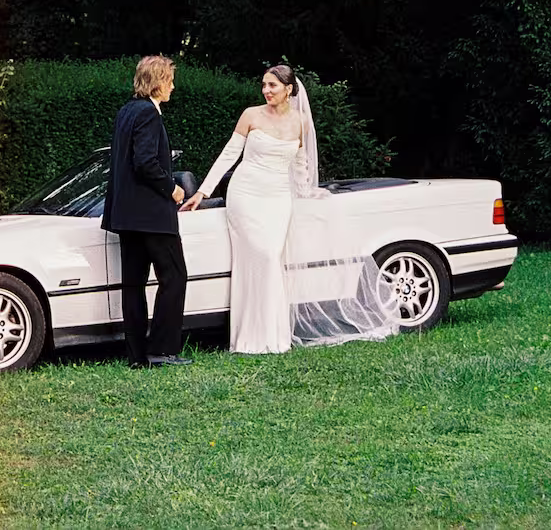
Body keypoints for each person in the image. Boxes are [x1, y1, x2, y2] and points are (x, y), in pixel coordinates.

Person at [183, 64, 400, 353]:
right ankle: (250, 337)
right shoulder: (251, 114)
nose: (266, 91)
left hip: (278, 198)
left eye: (272, 85)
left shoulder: (300, 122)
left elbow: (300, 163)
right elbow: (229, 155)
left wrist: (307, 191)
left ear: (289, 89)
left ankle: (274, 336)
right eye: (263, 85)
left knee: (272, 257)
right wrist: (202, 191)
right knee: (261, 256)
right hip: (246, 194)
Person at [102, 55, 192, 368]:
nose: (172, 86)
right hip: (152, 214)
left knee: (133, 285)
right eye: (169, 80)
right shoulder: (149, 114)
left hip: (126, 216)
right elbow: (145, 163)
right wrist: (173, 188)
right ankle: (163, 349)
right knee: (175, 276)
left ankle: (137, 356)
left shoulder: (126, 111)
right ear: (156, 82)